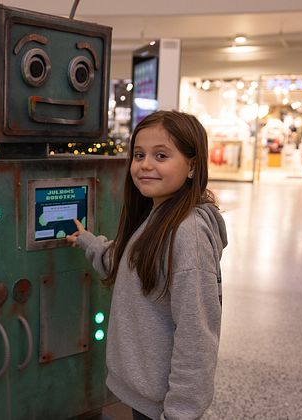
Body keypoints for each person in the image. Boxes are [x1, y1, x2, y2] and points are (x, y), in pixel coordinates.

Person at [66, 110, 228, 420]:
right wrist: (88, 241)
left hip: (164, 407)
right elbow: (133, 263)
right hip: (145, 396)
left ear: (192, 165)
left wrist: (180, 413)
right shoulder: (158, 217)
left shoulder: (186, 234)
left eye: (161, 155)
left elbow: (196, 338)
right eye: (139, 155)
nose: (145, 165)